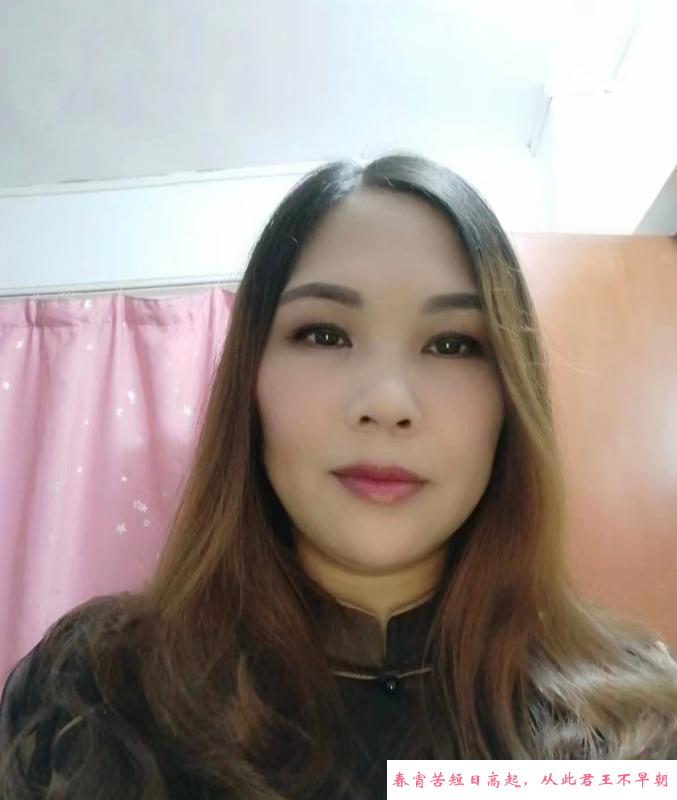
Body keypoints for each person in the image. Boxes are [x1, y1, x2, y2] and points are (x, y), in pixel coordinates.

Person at [1, 153, 676, 800]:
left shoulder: (637, 726)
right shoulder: (94, 692)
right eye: (324, 334)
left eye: (452, 344)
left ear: (509, 401)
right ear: (250, 381)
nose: (386, 401)